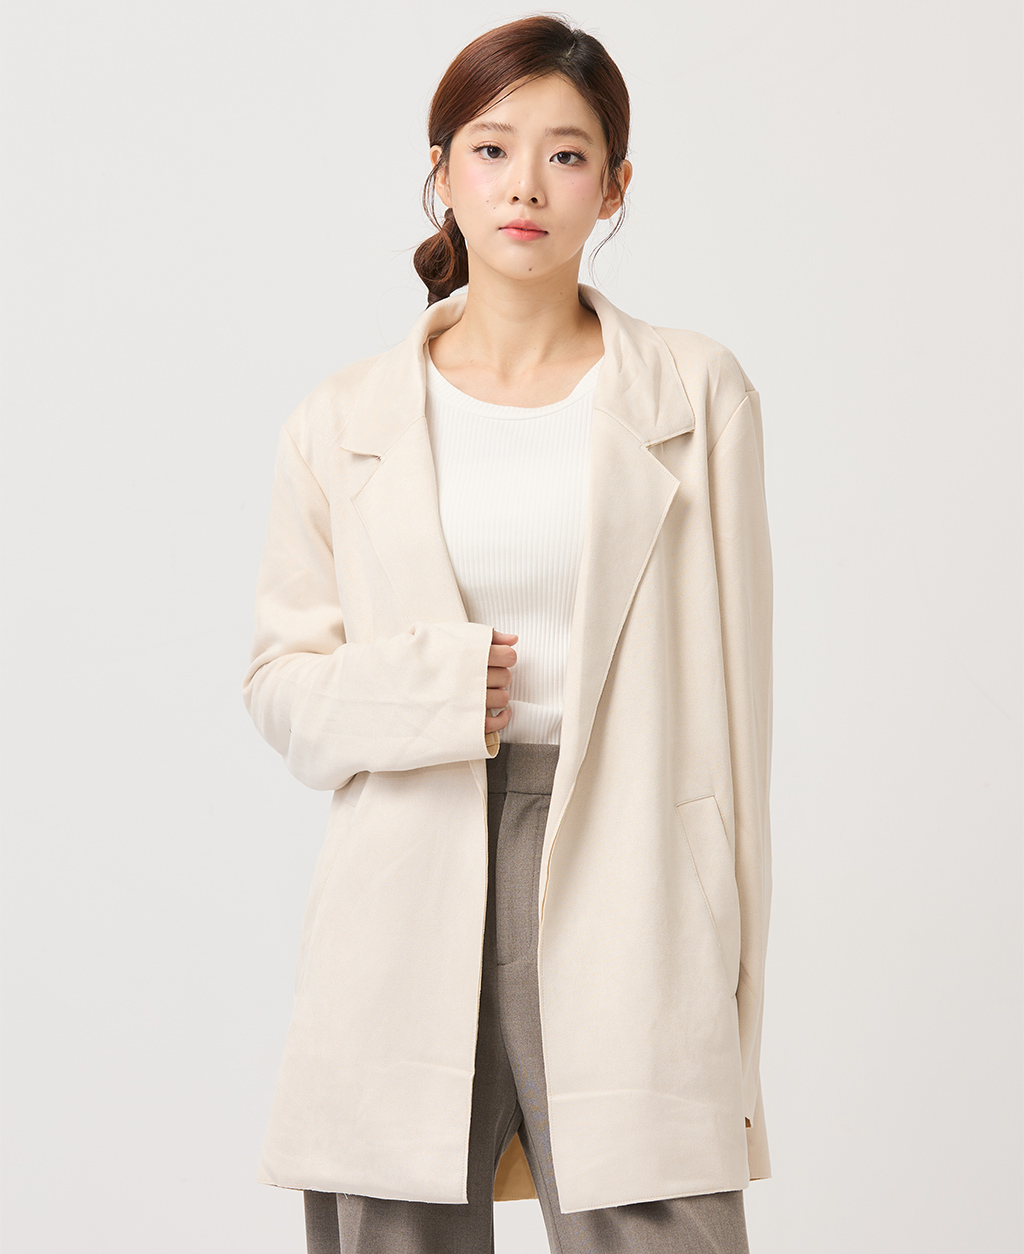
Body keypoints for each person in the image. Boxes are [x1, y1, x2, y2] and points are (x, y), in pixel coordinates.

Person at [243, 15, 774, 1254]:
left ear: (615, 187)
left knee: (661, 1216)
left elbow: (741, 706)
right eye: (490, 149)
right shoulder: (342, 420)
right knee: (396, 1223)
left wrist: (731, 960)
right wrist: (431, 692)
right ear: (441, 173)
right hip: (408, 860)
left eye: (566, 155)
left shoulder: (695, 392)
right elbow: (279, 685)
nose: (525, 185)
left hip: (630, 848)